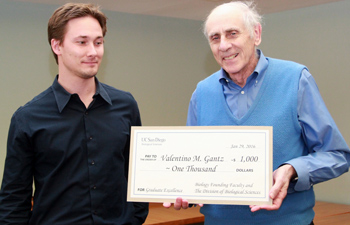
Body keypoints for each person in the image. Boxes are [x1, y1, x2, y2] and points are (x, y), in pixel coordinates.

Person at [164, 1, 350, 224]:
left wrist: (292, 169)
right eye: (215, 38)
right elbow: (195, 168)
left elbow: (337, 155)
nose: (223, 45)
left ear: (256, 34)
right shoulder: (202, 93)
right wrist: (183, 189)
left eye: (232, 34)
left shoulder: (295, 79)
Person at [0, 3, 148, 224]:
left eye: (98, 42)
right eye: (82, 42)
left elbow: (137, 174)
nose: (93, 51)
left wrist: (134, 219)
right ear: (57, 46)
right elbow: (13, 200)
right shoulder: (28, 117)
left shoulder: (126, 106)